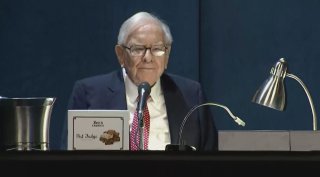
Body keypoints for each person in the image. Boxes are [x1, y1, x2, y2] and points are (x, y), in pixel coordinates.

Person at [61, 11, 218, 151]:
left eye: (157, 49)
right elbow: (71, 161)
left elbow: (210, 162)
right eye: (138, 49)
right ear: (121, 54)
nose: (148, 58)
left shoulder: (191, 95)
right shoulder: (89, 94)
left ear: (167, 55)